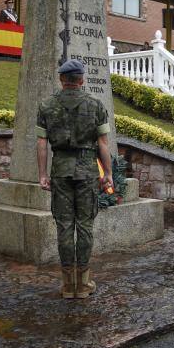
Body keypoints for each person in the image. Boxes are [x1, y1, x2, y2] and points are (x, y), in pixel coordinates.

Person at [36, 59, 113, 299]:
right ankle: (84, 283)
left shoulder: (46, 106)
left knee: (65, 226)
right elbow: (103, 144)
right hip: (87, 172)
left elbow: (41, 144)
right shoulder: (96, 105)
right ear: (81, 80)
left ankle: (68, 285)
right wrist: (108, 174)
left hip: (60, 170)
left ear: (62, 79)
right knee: (85, 226)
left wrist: (42, 174)